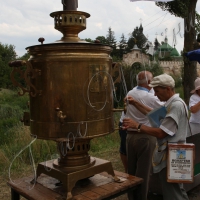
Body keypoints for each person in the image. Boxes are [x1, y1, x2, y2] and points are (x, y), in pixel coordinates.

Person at [123, 73, 189, 200]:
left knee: (172, 193)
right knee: (177, 189)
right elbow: (154, 114)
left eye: (157, 91)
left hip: (172, 155)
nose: (154, 94)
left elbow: (161, 132)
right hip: (175, 154)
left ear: (168, 89)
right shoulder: (172, 103)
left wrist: (137, 125)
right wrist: (135, 103)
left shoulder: (175, 105)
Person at [125, 71, 163, 200]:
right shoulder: (151, 98)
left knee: (131, 171)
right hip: (145, 135)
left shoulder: (130, 93)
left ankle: (131, 197)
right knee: (144, 173)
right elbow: (164, 113)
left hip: (130, 136)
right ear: (148, 83)